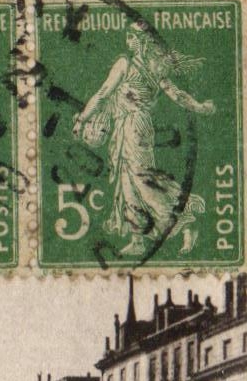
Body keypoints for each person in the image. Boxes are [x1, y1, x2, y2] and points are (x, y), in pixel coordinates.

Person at [72, 26, 214, 257]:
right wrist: (199, 106)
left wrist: (81, 119)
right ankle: (137, 238)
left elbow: (103, 93)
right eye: (128, 36)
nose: (129, 41)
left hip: (134, 126)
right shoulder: (153, 70)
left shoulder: (127, 65)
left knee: (142, 182)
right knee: (126, 182)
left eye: (133, 37)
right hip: (128, 125)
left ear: (144, 42)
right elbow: (177, 95)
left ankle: (186, 225)